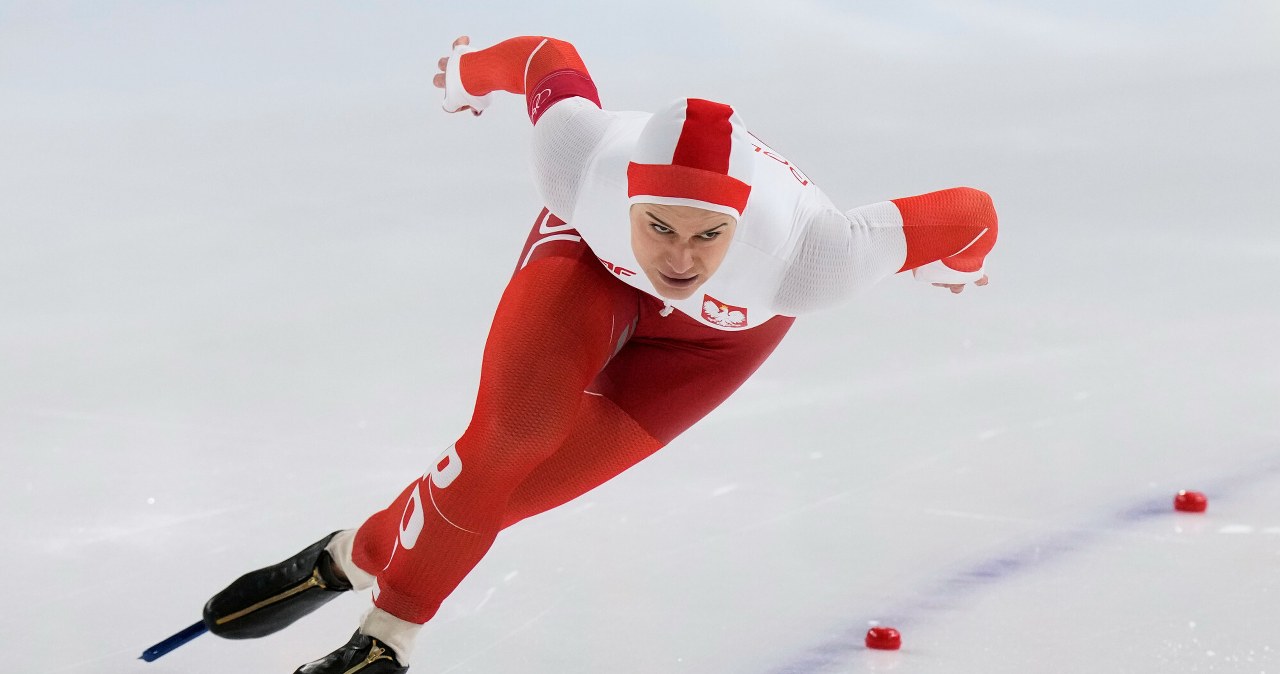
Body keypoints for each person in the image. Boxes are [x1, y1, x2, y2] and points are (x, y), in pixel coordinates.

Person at [201, 34, 998, 673]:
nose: (680, 260)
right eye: (659, 226)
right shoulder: (579, 158)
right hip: (588, 265)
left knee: (506, 496)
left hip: (714, 342)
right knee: (507, 442)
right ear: (630, 196)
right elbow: (547, 55)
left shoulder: (813, 256)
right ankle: (387, 642)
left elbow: (973, 213)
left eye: (706, 235)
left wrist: (961, 261)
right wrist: (466, 72)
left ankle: (352, 554)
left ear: (741, 222)